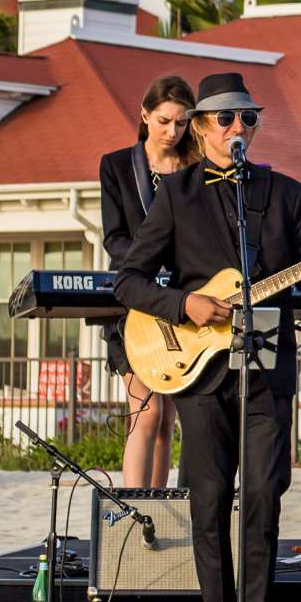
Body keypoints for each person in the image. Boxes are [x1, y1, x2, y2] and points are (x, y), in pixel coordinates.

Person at [110, 72, 301, 602]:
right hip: (199, 369)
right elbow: (128, 281)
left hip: (268, 368)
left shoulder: (287, 193)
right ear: (201, 127)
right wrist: (184, 304)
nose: (239, 127)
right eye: (226, 118)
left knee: (265, 494)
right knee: (210, 497)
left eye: (249, 118)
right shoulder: (179, 193)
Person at [96, 74, 196, 489]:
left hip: (183, 305)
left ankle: (157, 504)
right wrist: (146, 268)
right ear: (144, 115)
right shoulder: (117, 166)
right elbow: (114, 237)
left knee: (168, 418)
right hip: (134, 302)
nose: (172, 131)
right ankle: (134, 509)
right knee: (147, 410)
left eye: (181, 122)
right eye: (163, 121)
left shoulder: (197, 169)